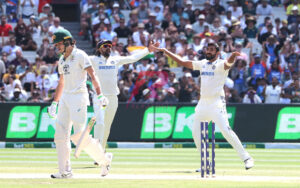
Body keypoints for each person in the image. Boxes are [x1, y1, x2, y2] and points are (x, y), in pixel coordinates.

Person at [153, 42, 254, 171]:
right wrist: (165, 51)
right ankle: (207, 164)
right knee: (196, 133)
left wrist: (233, 55)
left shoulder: (220, 64)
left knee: (226, 131)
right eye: (208, 49)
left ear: (217, 53)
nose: (209, 51)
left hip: (217, 103)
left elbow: (228, 63)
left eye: (212, 50)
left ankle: (247, 158)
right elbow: (183, 62)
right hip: (203, 104)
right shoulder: (202, 64)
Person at [47, 29, 111, 178]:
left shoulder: (81, 55)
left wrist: (100, 95)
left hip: (78, 97)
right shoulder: (62, 60)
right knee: (60, 136)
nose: (57, 47)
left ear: (68, 42)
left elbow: (92, 75)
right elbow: (61, 82)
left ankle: (105, 160)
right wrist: (54, 103)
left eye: (59, 44)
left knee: (78, 137)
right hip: (65, 99)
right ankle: (65, 171)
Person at [89, 39, 159, 165]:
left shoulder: (115, 60)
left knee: (107, 127)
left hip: (112, 97)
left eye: (110, 46)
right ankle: (97, 154)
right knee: (99, 123)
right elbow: (78, 59)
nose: (108, 48)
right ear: (99, 48)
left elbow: (132, 58)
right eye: (105, 46)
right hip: (99, 96)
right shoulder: (93, 60)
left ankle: (102, 152)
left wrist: (147, 50)